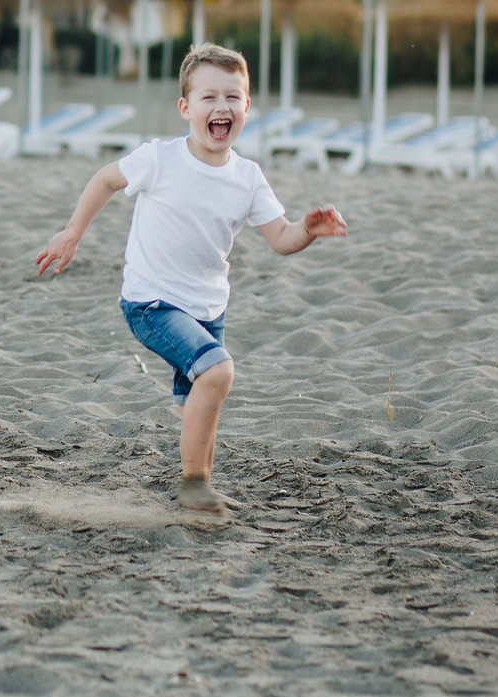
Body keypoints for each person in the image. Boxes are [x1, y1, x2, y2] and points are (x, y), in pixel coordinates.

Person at [34, 43, 347, 516]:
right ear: (185, 108)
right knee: (218, 373)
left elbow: (280, 238)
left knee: (197, 404)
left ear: (247, 106)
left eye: (233, 97)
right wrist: (72, 232)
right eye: (209, 98)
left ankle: (199, 488)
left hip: (208, 310)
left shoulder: (248, 177)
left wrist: (308, 230)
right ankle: (194, 483)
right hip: (151, 304)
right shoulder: (160, 158)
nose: (221, 107)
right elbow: (105, 179)